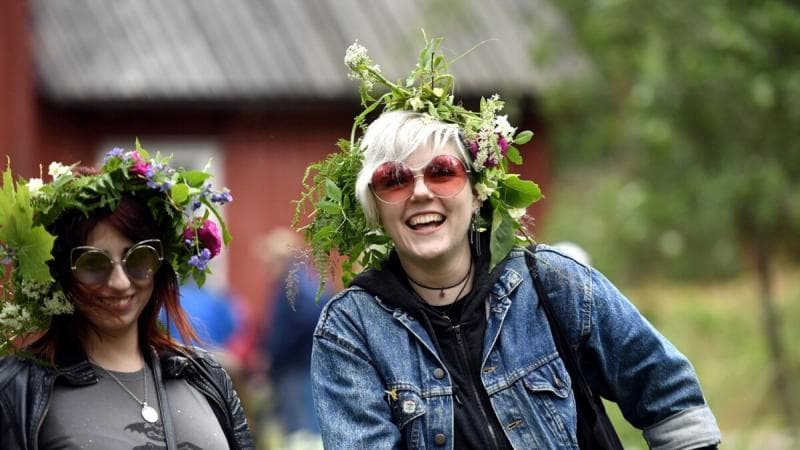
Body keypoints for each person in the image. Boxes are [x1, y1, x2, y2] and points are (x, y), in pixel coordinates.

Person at [295, 38, 722, 449]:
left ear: (477, 190)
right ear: (375, 207)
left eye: (443, 172)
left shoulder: (551, 284)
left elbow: (668, 393)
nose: (420, 192)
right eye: (395, 180)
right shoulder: (353, 331)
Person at [0, 144, 254, 449]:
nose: (120, 283)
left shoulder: (205, 376)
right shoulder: (17, 388)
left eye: (138, 258)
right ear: (60, 273)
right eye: (93, 264)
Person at [258, 227, 328, 443]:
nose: (267, 265)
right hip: (303, 366)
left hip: (298, 368)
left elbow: (307, 320)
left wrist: (275, 352)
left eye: (270, 258)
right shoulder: (308, 280)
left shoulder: (295, 285)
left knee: (302, 433)